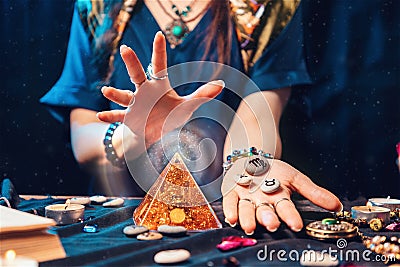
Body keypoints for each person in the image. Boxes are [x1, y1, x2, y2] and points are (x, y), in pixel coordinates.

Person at [41, 0, 342, 235]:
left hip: (223, 214)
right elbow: (84, 137)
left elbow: (259, 112)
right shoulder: (97, 8)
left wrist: (248, 167)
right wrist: (133, 136)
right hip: (122, 221)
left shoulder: (266, 9)